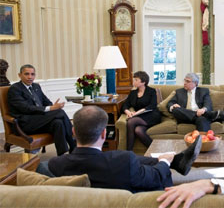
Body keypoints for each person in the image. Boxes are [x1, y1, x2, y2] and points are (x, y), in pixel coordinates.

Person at [48, 106, 202, 192]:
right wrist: (164, 162)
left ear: (74, 132)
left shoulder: (54, 164)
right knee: (160, 171)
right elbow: (154, 175)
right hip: (133, 197)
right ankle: (172, 162)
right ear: (104, 133)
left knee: (137, 160)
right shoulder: (123, 160)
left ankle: (177, 161)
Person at [7, 64, 76, 155]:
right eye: (26, 74)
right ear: (20, 75)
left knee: (58, 123)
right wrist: (51, 108)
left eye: (32, 74)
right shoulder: (15, 89)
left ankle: (62, 155)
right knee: (60, 112)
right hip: (25, 123)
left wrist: (52, 106)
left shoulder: (36, 87)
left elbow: (46, 101)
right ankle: (74, 145)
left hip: (40, 120)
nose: (30, 77)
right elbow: (26, 108)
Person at [120, 71, 161, 150]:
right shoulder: (133, 93)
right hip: (139, 116)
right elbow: (125, 105)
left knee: (131, 121)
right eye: (134, 79)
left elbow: (152, 106)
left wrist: (136, 113)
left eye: (136, 80)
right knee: (138, 130)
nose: (133, 81)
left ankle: (129, 152)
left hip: (152, 115)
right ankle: (156, 150)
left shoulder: (151, 91)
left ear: (143, 82)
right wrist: (128, 112)